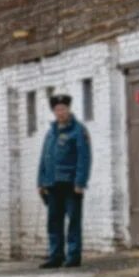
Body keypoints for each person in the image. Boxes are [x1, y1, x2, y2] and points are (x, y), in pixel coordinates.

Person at [37, 94, 91, 268]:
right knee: (54, 221)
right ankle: (56, 255)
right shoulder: (50, 133)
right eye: (57, 109)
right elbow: (44, 159)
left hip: (70, 184)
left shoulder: (78, 131)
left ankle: (73, 256)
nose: (60, 112)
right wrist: (41, 182)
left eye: (63, 109)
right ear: (53, 111)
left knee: (73, 220)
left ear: (69, 109)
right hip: (52, 184)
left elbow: (84, 158)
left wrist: (80, 182)